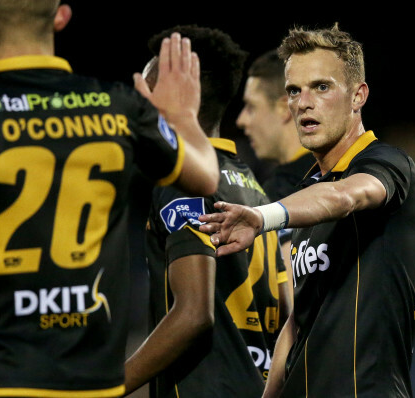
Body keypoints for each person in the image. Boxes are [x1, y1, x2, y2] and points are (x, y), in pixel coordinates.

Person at [0, 1, 221, 396]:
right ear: (62, 17)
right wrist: (181, 119)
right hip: (91, 381)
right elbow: (205, 177)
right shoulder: (117, 105)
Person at [199, 23, 415, 397]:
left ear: (358, 96)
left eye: (321, 87)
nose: (303, 102)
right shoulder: (306, 190)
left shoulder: (387, 163)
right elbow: (297, 321)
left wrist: (261, 216)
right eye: (293, 90)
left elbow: (344, 197)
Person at [123, 25, 291, 398]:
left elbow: (194, 315)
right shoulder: (255, 190)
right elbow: (287, 315)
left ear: (182, 95)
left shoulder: (182, 181)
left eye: (147, 91)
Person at [236, 49, 317, 298]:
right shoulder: (343, 174)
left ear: (285, 108)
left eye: (251, 106)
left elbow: (293, 298)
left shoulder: (281, 194)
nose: (241, 120)